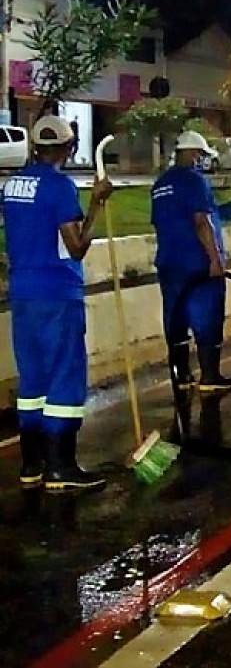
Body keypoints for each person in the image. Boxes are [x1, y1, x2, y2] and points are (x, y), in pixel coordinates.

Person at [2, 115, 113, 490]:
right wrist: (96, 204)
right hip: (56, 294)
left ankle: (31, 466)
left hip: (23, 293)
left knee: (32, 380)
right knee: (64, 377)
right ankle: (61, 467)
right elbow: (77, 247)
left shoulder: (11, 185)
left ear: (35, 147)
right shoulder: (60, 187)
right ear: (68, 148)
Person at [151, 131, 231, 392]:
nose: (201, 160)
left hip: (169, 263)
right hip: (197, 264)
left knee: (175, 319)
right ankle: (210, 377)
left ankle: (181, 375)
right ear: (192, 154)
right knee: (207, 317)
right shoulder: (195, 182)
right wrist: (215, 259)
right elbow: (201, 222)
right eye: (200, 155)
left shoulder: (160, 185)